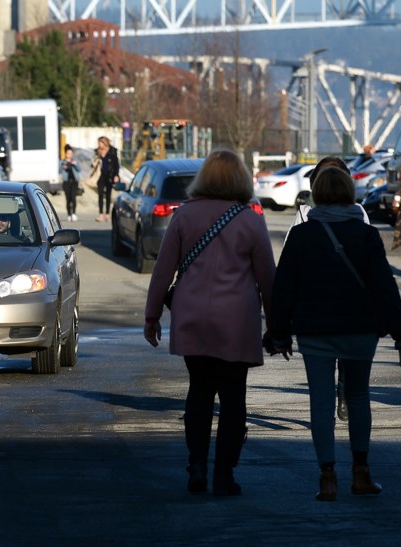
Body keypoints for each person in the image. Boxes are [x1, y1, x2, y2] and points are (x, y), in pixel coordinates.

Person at [271, 166, 401, 502]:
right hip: (360, 329)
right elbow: (384, 288)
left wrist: (279, 333)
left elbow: (283, 288)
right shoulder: (365, 235)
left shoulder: (302, 235)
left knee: (320, 401)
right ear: (351, 193)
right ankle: (361, 474)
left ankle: (327, 478)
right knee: (359, 396)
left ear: (317, 195)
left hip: (315, 331)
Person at [143, 149, 277, 497]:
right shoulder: (250, 220)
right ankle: (224, 474)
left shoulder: (184, 216)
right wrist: (278, 326)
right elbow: (267, 279)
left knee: (199, 392)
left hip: (193, 318)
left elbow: (163, 270)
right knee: (234, 400)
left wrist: (152, 315)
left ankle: (197, 467)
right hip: (237, 321)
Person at [286, 156, 369, 422]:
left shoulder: (359, 213)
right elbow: (289, 265)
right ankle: (351, 457)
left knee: (342, 364)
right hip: (324, 309)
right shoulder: (303, 214)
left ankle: (342, 396)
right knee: (331, 366)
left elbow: (372, 267)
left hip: (336, 309)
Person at [95, 136, 120, 222]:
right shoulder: (97, 151)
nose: (99, 145)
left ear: (104, 143)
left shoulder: (112, 151)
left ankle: (107, 214)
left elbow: (116, 164)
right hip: (100, 176)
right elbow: (94, 163)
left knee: (108, 195)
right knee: (100, 194)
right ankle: (100, 214)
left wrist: (116, 175)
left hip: (110, 175)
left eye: (100, 143)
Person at [60, 144, 80, 222]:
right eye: (68, 153)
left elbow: (79, 169)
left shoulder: (75, 161)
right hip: (66, 182)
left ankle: (74, 213)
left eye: (71, 154)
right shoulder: (62, 162)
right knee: (68, 198)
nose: (69, 155)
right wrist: (63, 166)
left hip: (74, 182)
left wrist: (75, 164)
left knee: (73, 197)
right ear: (65, 154)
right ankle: (69, 214)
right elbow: (59, 170)